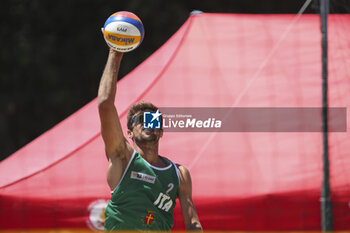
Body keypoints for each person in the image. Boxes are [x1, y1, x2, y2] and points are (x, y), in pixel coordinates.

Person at [98, 48, 202, 231]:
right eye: (141, 119)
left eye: (153, 120)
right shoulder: (123, 157)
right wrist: (115, 54)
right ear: (129, 133)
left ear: (161, 132)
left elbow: (193, 225)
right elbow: (105, 103)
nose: (148, 123)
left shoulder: (179, 174)